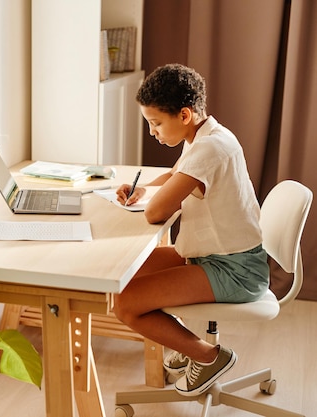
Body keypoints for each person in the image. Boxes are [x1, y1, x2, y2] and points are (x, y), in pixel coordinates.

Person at [112, 63, 269, 396]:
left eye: (155, 123)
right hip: (219, 256)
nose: (152, 132)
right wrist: (143, 189)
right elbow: (175, 175)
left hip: (234, 269)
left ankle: (208, 356)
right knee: (125, 274)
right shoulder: (207, 134)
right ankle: (186, 346)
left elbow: (156, 214)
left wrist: (149, 200)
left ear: (184, 115)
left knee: (124, 304)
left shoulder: (210, 148)